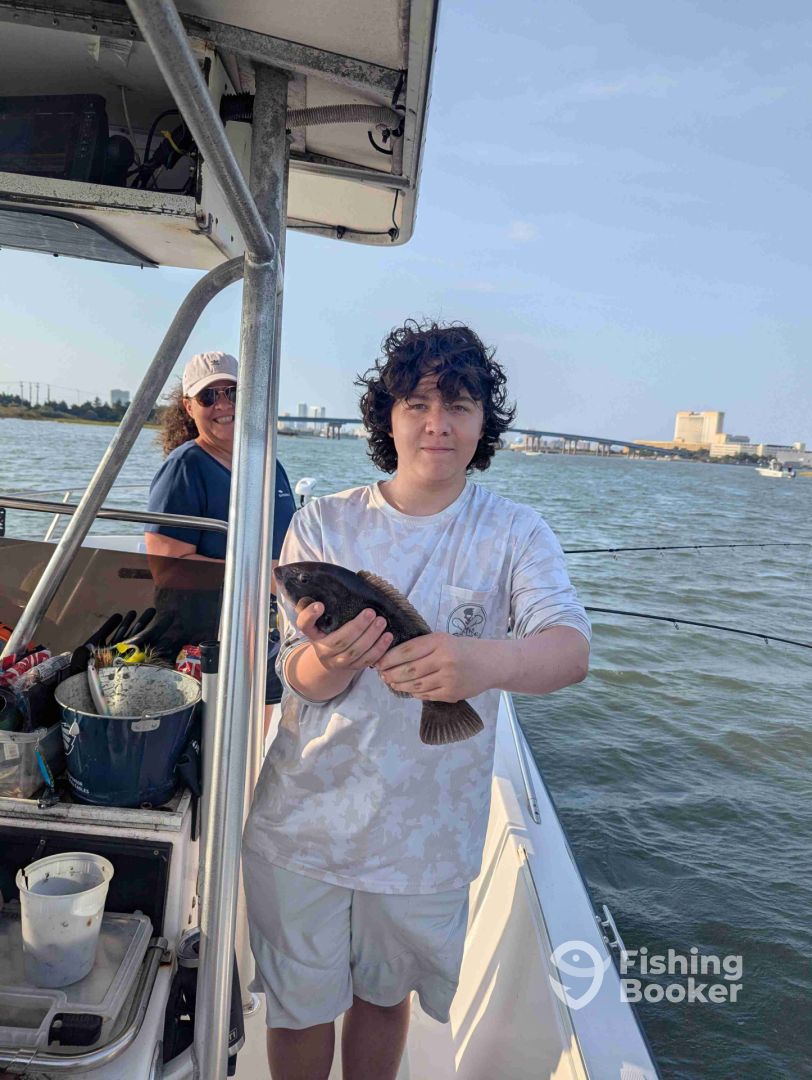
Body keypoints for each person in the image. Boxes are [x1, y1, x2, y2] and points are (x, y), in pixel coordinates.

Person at [242, 322, 591, 1080]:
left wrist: (483, 662)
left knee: (383, 997)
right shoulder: (324, 523)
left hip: (426, 840)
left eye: (459, 406)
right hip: (303, 821)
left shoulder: (516, 533)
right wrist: (330, 661)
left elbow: (569, 651)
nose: (438, 424)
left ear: (483, 424)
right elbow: (293, 673)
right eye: (418, 404)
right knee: (298, 1007)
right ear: (388, 418)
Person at [145, 350, 295, 700]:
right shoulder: (185, 467)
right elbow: (167, 570)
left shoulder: (269, 465)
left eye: (233, 392)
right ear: (188, 407)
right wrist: (260, 576)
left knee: (264, 722)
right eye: (208, 396)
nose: (223, 404)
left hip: (266, 632)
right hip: (206, 642)